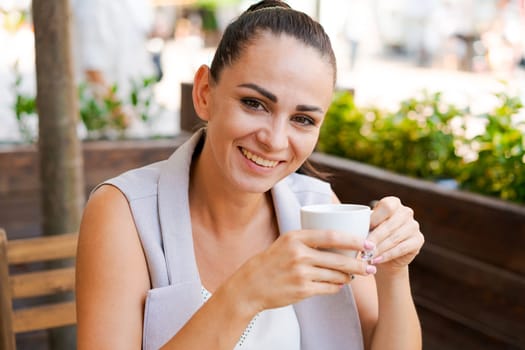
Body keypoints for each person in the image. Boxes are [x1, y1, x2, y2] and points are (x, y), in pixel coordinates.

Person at [76, 1, 425, 349]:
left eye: (302, 120)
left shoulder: (317, 205)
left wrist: (394, 271)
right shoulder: (124, 212)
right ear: (204, 94)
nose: (274, 141)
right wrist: (246, 293)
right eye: (254, 104)